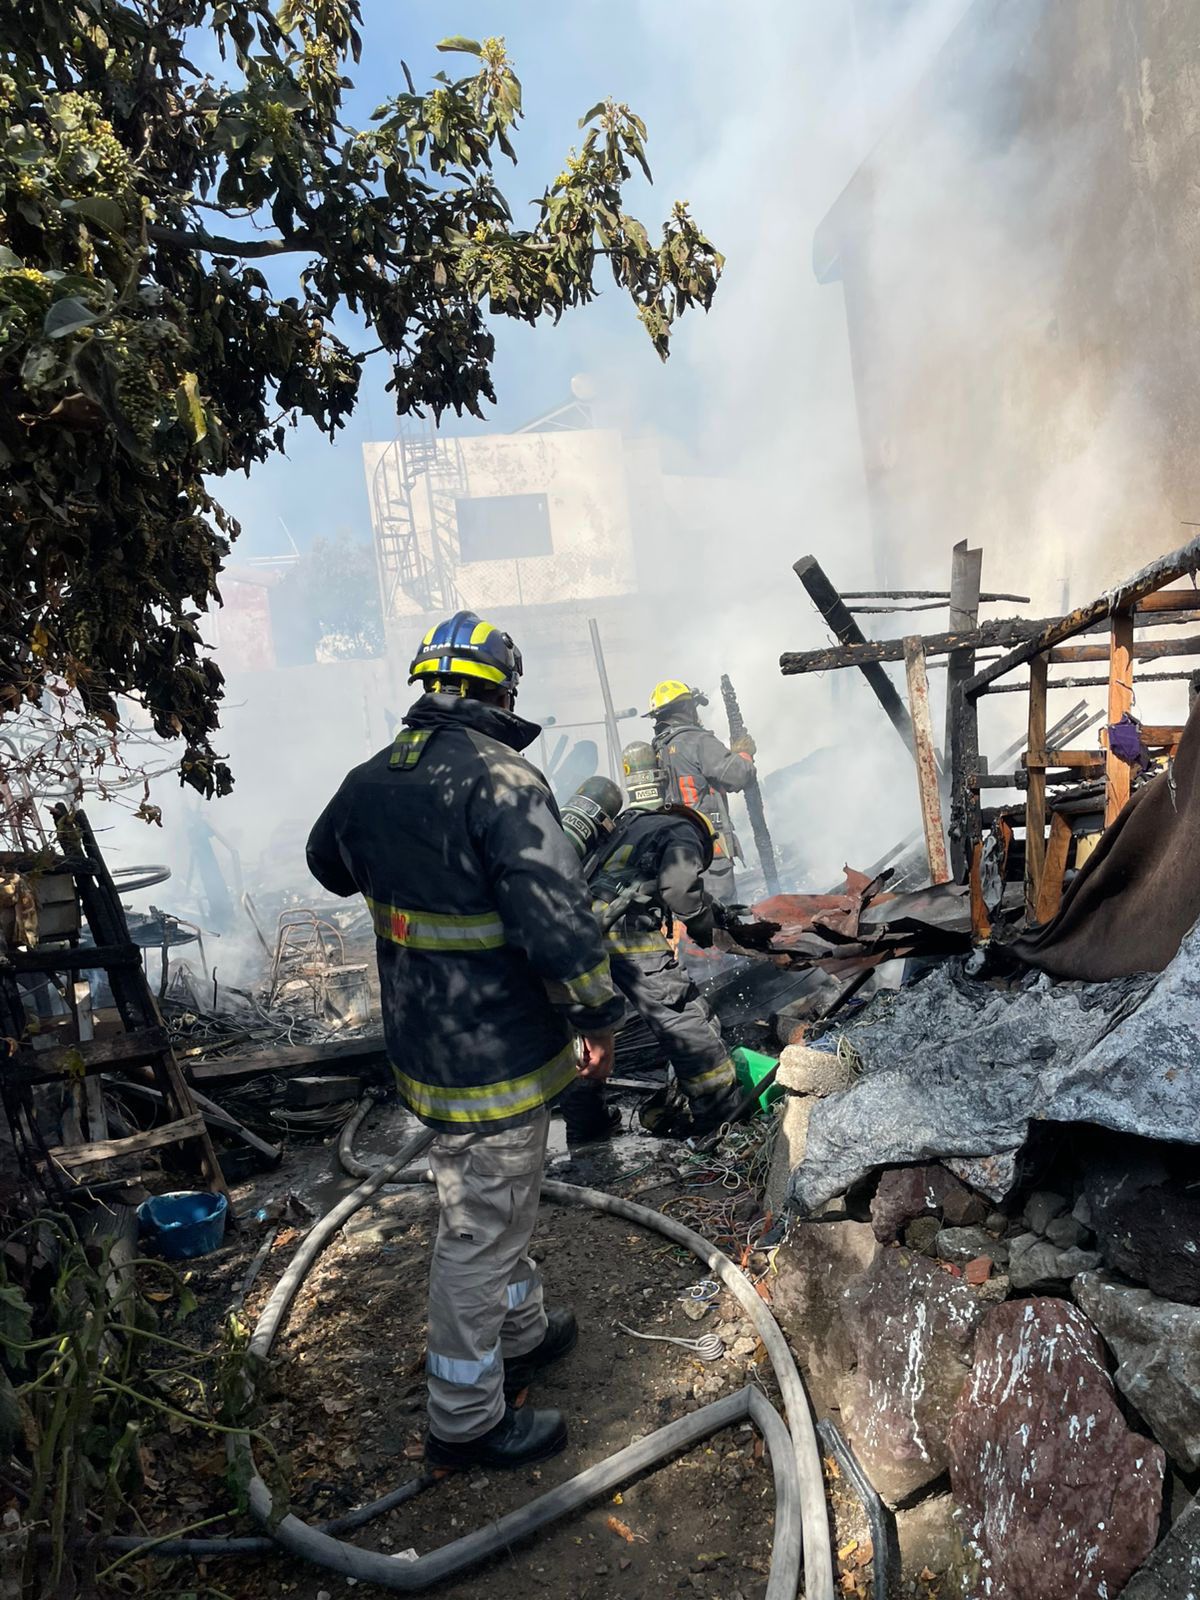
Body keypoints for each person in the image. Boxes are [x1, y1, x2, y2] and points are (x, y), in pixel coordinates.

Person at [306, 611, 624, 1473]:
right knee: (481, 1226)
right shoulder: (503, 780)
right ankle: (466, 1418)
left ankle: (519, 1333)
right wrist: (597, 1018)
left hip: (426, 1041)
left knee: (495, 1200)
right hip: (501, 1048)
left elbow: (324, 863)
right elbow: (558, 927)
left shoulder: (372, 778)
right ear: (501, 690)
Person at [557, 742, 745, 1145]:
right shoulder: (685, 833)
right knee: (680, 1015)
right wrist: (702, 926)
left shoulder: (633, 824)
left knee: (581, 1031)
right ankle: (721, 1117)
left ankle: (587, 1125)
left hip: (573, 927)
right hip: (623, 933)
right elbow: (680, 889)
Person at [647, 680, 756, 905]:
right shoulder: (698, 741)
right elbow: (738, 775)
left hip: (676, 849)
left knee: (691, 911)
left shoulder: (659, 748)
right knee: (720, 912)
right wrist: (744, 755)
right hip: (709, 846)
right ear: (687, 707)